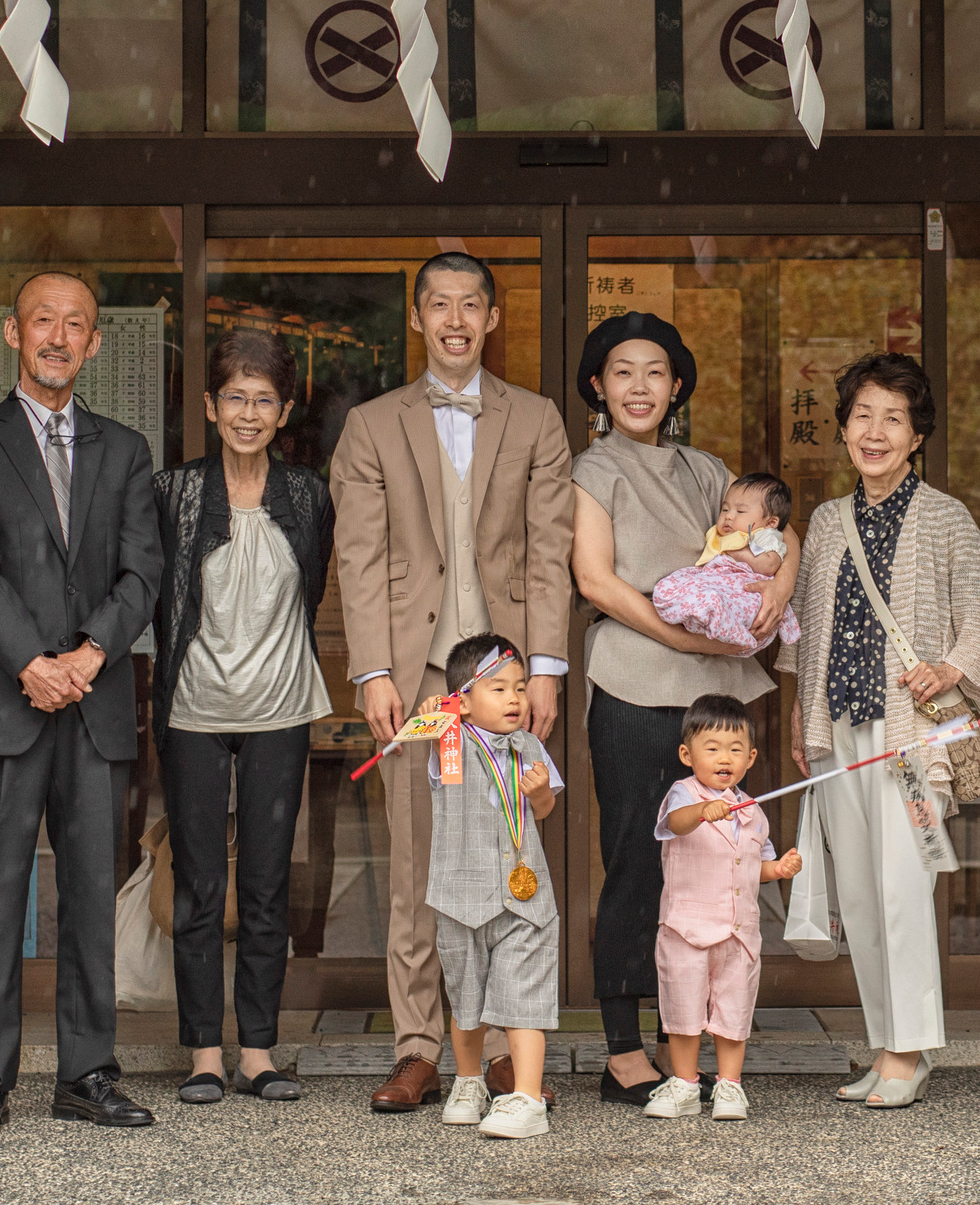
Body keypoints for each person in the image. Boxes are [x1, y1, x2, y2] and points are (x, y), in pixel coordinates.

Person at [330, 252, 575, 1113]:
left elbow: (549, 549)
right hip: (419, 675)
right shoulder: (372, 425)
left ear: (493, 317)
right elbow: (359, 556)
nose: (456, 319)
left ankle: (503, 1049)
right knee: (417, 863)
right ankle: (419, 1046)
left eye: (471, 304)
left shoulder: (537, 418)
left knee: (513, 852)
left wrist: (546, 668)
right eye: (440, 304)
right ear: (418, 317)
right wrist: (373, 670)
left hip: (506, 677)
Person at [0, 271, 164, 1138]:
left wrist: (89, 653)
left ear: (95, 343)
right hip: (6, 700)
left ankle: (87, 1073)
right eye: (42, 320)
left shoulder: (125, 449)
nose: (58, 336)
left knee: (91, 894)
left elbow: (143, 569)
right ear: (13, 332)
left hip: (94, 703)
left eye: (75, 324)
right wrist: (32, 661)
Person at [569, 311, 796, 1106]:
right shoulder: (591, 468)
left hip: (715, 694)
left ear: (676, 388)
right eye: (622, 371)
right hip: (635, 681)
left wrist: (779, 589)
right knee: (637, 858)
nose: (640, 386)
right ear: (598, 387)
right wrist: (683, 637)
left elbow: (780, 533)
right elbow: (595, 580)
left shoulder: (708, 469)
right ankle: (624, 1048)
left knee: (709, 861)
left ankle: (687, 1043)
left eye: (656, 372)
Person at [778, 352, 980, 1109]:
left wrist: (950, 667)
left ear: (917, 436)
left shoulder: (945, 516)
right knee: (860, 893)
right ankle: (886, 1045)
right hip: (840, 728)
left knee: (904, 887)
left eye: (893, 419)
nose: (874, 433)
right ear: (844, 428)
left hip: (910, 738)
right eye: (862, 416)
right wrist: (799, 714)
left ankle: (909, 1049)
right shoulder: (826, 521)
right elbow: (803, 628)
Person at [151, 328, 335, 1105]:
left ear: (285, 410)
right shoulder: (174, 491)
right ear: (209, 405)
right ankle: (203, 1050)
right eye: (235, 397)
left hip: (280, 705)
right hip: (193, 706)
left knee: (265, 883)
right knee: (198, 884)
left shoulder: (309, 494)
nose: (249, 413)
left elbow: (312, 586)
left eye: (264, 399)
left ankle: (258, 1049)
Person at [426, 634, 563, 1141]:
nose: (515, 699)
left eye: (520, 688)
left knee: (525, 998)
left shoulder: (531, 747)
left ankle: (526, 1097)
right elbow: (431, 738)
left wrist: (541, 792)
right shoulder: (450, 740)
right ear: (463, 700)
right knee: (466, 997)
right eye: (499, 688)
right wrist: (438, 716)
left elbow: (544, 810)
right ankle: (468, 1082)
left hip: (526, 899)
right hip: (461, 898)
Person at [645, 694, 803, 1123]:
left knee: (734, 1011)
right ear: (687, 755)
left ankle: (730, 1085)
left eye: (735, 750)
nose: (724, 758)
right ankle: (684, 1083)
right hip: (687, 930)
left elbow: (756, 866)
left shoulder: (752, 811)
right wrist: (703, 810)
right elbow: (675, 824)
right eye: (712, 748)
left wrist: (778, 869)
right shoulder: (682, 794)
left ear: (750, 758)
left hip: (738, 934)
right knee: (683, 1011)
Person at [649, 473, 803, 653]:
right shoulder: (720, 535)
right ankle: (686, 612)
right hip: (719, 579)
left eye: (740, 511)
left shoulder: (764, 535)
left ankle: (733, 632)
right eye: (725, 509)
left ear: (771, 522)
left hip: (745, 586)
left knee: (724, 600)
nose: (729, 516)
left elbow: (769, 565)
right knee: (676, 584)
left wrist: (735, 552)